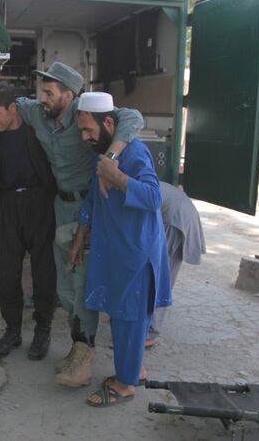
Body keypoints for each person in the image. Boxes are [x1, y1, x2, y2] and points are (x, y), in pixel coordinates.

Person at [0, 62, 144, 387]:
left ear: (70, 95)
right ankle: (78, 343)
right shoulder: (38, 112)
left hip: (91, 205)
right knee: (64, 281)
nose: (42, 98)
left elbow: (133, 117)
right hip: (58, 207)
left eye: (49, 93)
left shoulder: (85, 111)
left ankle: (86, 350)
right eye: (42, 92)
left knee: (82, 281)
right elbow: (0, 111)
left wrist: (112, 157)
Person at [69, 92, 171, 407]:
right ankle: (133, 369)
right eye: (81, 131)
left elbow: (155, 198)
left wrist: (119, 178)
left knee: (129, 318)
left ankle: (125, 383)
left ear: (109, 122)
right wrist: (79, 235)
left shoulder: (135, 154)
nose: (85, 137)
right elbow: (93, 199)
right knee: (122, 316)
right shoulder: (102, 155)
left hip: (135, 254)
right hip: (116, 249)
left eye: (89, 130)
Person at [0, 83, 57, 361]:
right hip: (7, 205)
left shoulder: (37, 130)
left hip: (39, 203)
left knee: (44, 271)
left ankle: (42, 330)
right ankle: (12, 330)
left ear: (12, 108)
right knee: (6, 272)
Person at [147, 181, 206, 346]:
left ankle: (149, 333)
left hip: (174, 219)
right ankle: (148, 329)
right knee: (164, 276)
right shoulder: (142, 178)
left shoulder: (129, 184)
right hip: (181, 216)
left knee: (156, 277)